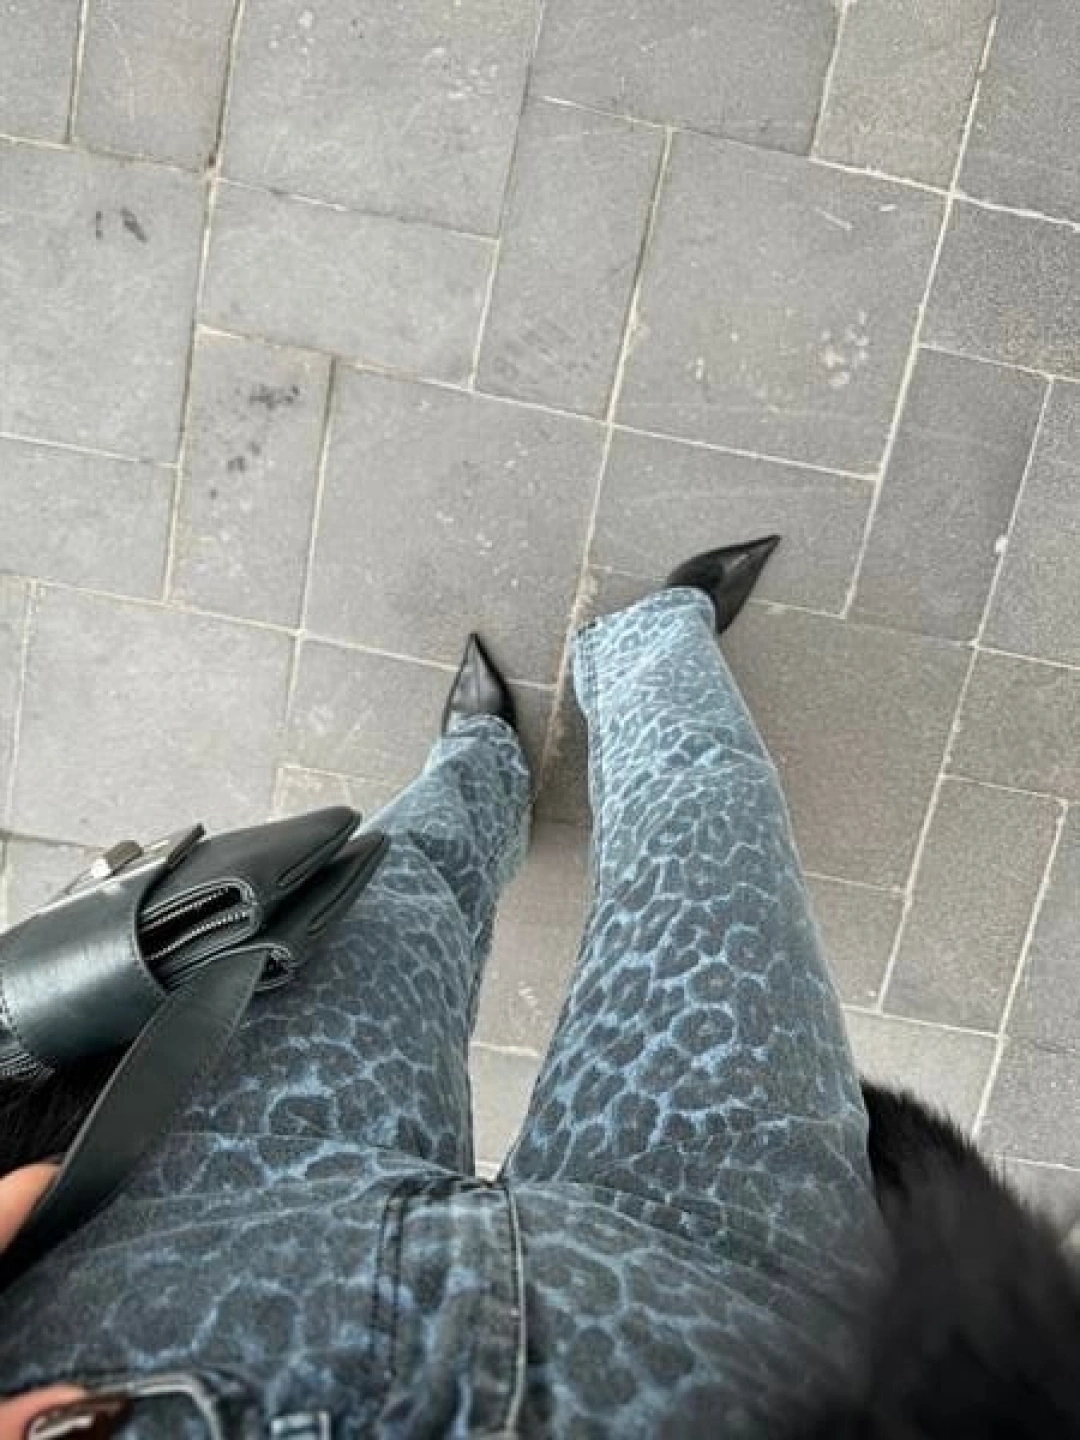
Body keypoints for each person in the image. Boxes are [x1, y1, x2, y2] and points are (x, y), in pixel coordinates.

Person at [0, 540, 1075, 1438]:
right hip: (749, 1326)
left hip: (163, 1237)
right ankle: (656, 634)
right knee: (711, 843)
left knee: (401, 887)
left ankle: (479, 759)